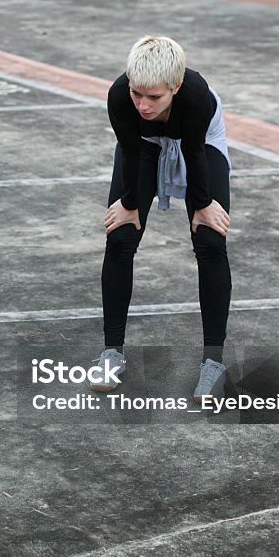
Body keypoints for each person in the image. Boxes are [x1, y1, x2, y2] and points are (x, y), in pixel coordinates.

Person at [92, 36, 232, 402]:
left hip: (198, 140)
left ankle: (213, 362)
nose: (143, 104)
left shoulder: (197, 98)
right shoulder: (120, 96)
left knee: (210, 239)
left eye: (154, 97)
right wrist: (129, 202)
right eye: (138, 94)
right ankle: (111, 353)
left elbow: (194, 152)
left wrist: (203, 205)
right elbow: (131, 148)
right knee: (120, 235)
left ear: (176, 85)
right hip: (143, 145)